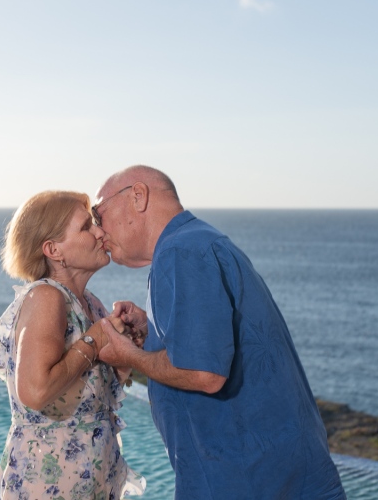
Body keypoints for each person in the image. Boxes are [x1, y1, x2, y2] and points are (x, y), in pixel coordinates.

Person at [93, 166, 347, 499]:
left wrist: (130, 355)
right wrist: (152, 331)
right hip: (277, 476)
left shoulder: (180, 253)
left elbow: (204, 373)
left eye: (99, 215)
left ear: (138, 196)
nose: (98, 232)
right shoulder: (199, 242)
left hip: (249, 481)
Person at [0, 190, 145, 500]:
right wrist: (94, 341)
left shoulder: (90, 303)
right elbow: (36, 392)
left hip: (90, 479)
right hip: (48, 483)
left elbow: (91, 394)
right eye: (85, 227)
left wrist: (127, 354)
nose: (99, 232)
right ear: (53, 250)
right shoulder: (46, 298)